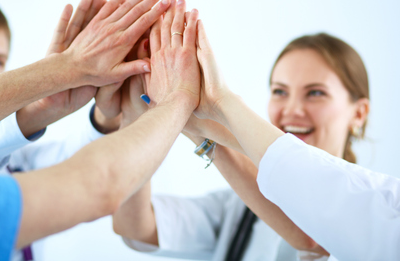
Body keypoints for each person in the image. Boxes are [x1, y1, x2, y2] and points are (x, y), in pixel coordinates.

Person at [0, 0, 203, 261]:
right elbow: (99, 183)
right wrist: (179, 99)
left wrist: (105, 114)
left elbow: (75, 164)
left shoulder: (17, 160)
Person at [113, 32, 370, 260]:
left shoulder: (372, 211)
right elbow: (135, 227)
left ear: (359, 113)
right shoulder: (236, 208)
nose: (292, 110)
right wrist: (134, 113)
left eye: (315, 93)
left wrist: (199, 125)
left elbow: (313, 238)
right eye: (280, 91)